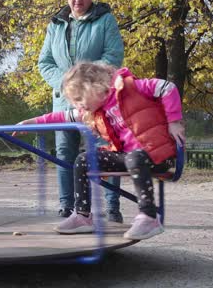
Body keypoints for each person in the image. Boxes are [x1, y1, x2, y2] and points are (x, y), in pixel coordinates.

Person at [17, 62, 185, 240]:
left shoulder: (130, 87)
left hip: (158, 154)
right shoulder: (94, 111)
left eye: (80, 99)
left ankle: (149, 217)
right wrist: (32, 122)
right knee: (83, 159)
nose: (79, 105)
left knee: (134, 158)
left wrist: (174, 121)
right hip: (129, 156)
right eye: (75, 102)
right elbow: (62, 116)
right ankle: (83, 216)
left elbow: (167, 87)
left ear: (95, 86)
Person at [37, 0, 125, 222]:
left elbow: (113, 56)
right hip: (64, 101)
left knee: (106, 153)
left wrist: (86, 82)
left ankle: (112, 206)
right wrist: (66, 85)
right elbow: (45, 62)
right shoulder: (55, 24)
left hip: (99, 101)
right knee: (65, 153)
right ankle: (68, 207)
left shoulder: (105, 20)